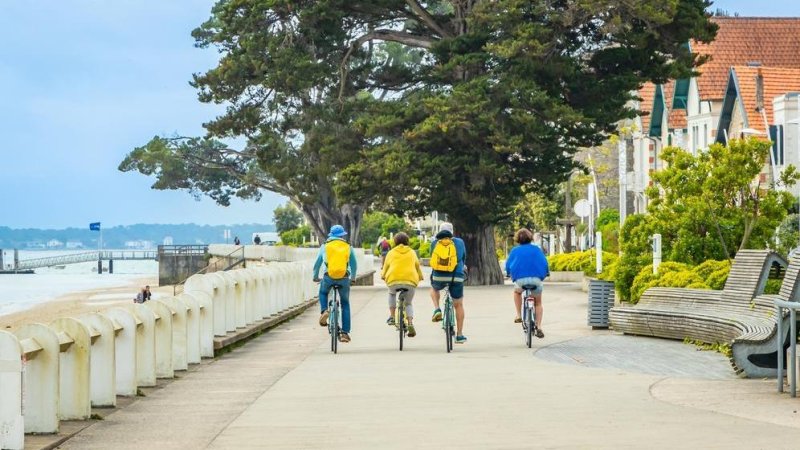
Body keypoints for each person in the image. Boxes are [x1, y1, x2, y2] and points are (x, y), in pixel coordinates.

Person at [312, 224, 358, 343]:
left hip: (328, 277)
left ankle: (324, 311)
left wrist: (315, 277)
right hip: (344, 277)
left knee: (323, 292)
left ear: (331, 235)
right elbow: (354, 264)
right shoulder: (348, 247)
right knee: (345, 304)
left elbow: (317, 264)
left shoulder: (325, 246)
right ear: (342, 235)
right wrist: (352, 278)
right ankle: (344, 333)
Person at [505, 228, 549, 338]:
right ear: (530, 237)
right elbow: (544, 263)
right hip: (536, 279)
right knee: (538, 303)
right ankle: (539, 327)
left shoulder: (515, 251)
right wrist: (546, 273)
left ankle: (519, 315)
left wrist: (509, 273)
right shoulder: (537, 249)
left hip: (520, 280)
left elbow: (508, 265)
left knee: (517, 292)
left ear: (517, 239)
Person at [429, 222, 468, 344]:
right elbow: (463, 257)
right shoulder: (460, 242)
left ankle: (437, 309)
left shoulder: (435, 243)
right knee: (458, 304)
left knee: (434, 288)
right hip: (456, 277)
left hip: (439, 277)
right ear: (452, 232)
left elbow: (432, 258)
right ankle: (460, 335)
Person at [381, 232, 424, 337]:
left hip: (393, 280)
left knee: (391, 294)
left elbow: (385, 267)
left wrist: (383, 276)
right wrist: (420, 277)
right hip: (410, 281)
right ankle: (410, 323)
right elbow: (417, 266)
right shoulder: (412, 252)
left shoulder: (391, 253)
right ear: (407, 241)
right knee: (408, 303)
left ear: (395, 242)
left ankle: (392, 316)